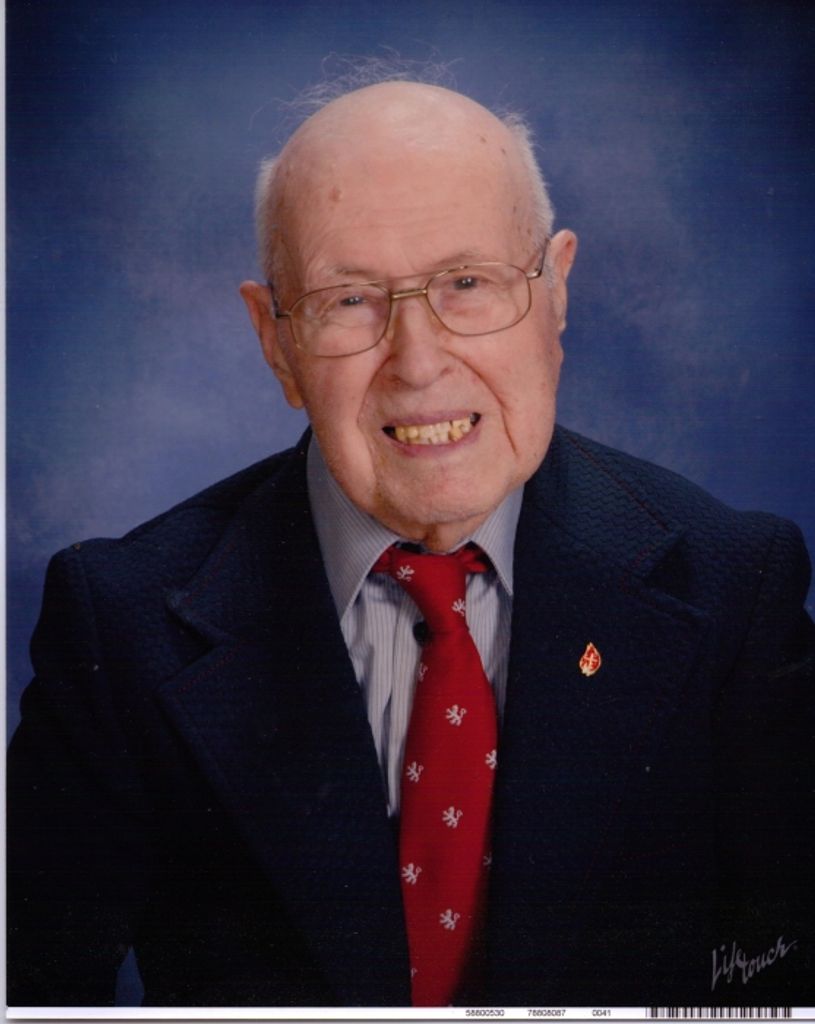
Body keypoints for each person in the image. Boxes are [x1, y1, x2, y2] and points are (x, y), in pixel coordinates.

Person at [7, 79, 814, 1009]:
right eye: (350, 299)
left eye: (466, 283)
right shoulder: (123, 623)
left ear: (555, 292)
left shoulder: (730, 589)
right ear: (275, 341)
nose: (419, 362)